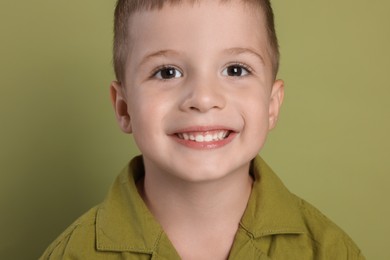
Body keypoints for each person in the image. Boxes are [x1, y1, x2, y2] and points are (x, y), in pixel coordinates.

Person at [40, 0, 364, 259]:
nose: (204, 98)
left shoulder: (329, 251)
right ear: (124, 108)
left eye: (235, 69)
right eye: (167, 72)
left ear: (271, 105)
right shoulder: (73, 253)